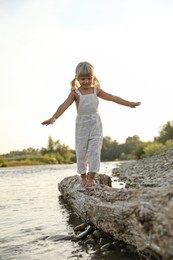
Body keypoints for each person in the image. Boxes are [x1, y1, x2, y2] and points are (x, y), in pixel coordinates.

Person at [41, 61, 141, 187]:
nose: (86, 81)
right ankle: (83, 177)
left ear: (93, 77)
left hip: (95, 124)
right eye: (83, 79)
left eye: (89, 78)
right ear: (77, 78)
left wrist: (129, 103)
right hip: (82, 124)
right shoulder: (74, 93)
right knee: (81, 151)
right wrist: (53, 118)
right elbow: (64, 106)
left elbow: (113, 97)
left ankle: (91, 177)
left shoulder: (96, 90)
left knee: (94, 151)